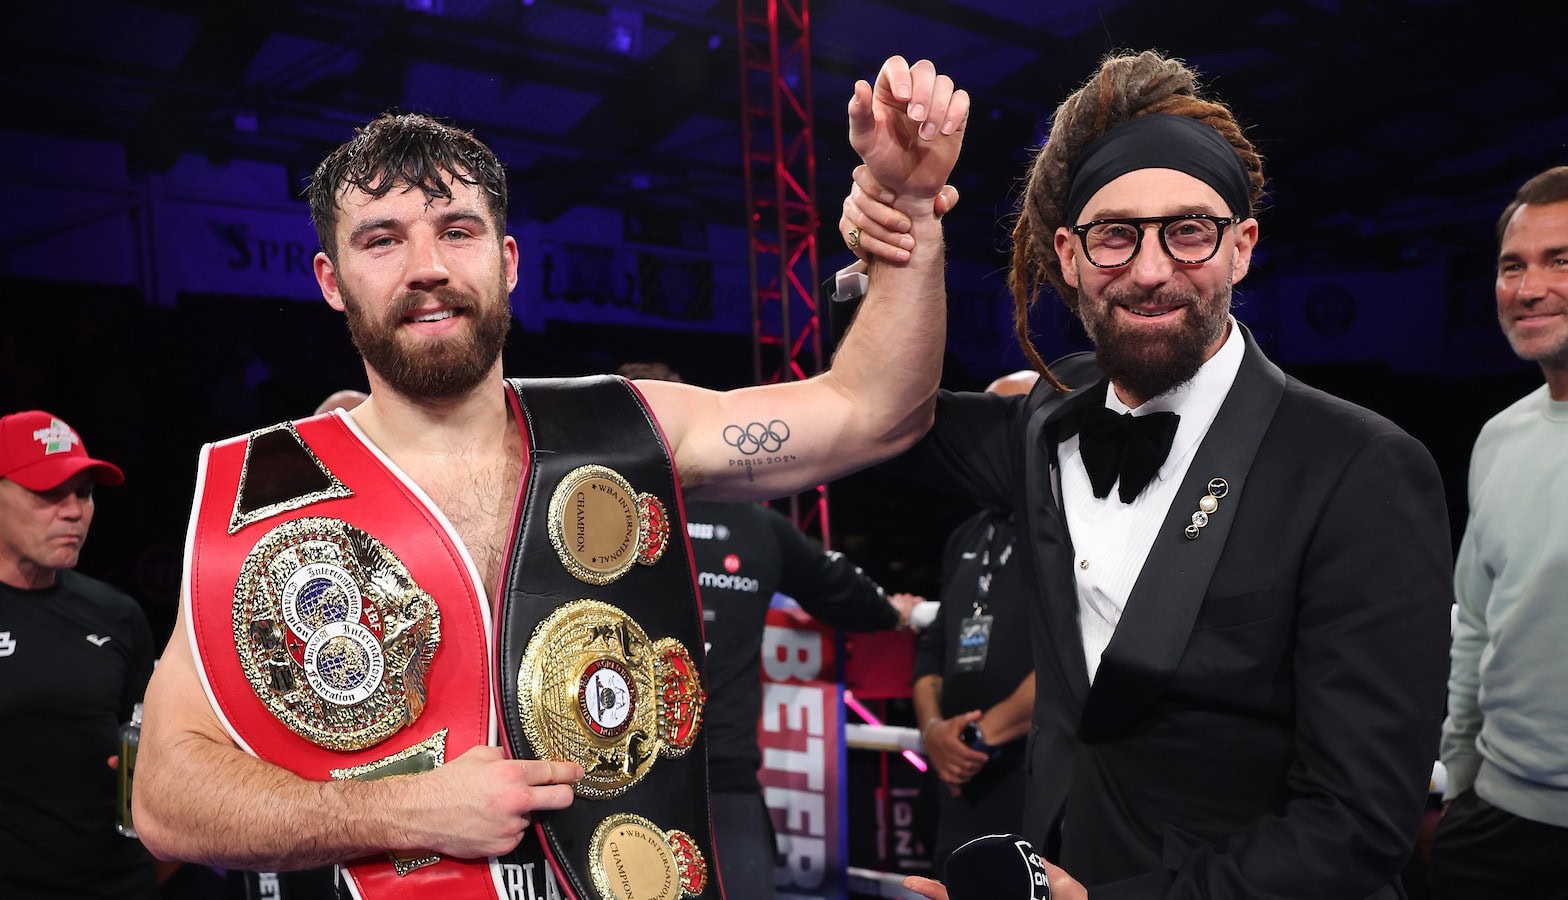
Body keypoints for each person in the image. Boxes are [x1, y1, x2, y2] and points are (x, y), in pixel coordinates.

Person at [133, 56, 967, 900]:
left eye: (456, 231)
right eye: (382, 240)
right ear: (331, 282)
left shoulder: (627, 429)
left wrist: (908, 213)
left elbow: (878, 410)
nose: (426, 266)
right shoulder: (263, 492)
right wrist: (401, 810)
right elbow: (168, 802)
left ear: (509, 261)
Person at [844, 50, 1453, 899]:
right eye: (1116, 234)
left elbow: (1358, 825)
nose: (1152, 268)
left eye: (1190, 230)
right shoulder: (1043, 426)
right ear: (1068, 254)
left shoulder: (1361, 469)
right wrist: (899, 222)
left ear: (1242, 247)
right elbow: (878, 414)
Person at [617, 360, 921, 899]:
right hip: (660, 781)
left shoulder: (587, 516)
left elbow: (842, 591)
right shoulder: (755, 525)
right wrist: (894, 611)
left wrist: (890, 610)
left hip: (646, 777)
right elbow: (849, 595)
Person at [1432, 166, 1568, 898]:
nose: (1529, 288)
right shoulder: (1497, 439)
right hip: (1497, 823)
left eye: (1562, 261)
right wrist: (1460, 783)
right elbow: (1476, 628)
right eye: (1514, 265)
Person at [0, 410, 158, 898]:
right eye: (49, 494)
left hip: (117, 887)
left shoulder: (117, 615)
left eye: (84, 493)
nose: (74, 511)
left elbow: (152, 753)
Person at [911, 372, 1038, 872]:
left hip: (1033, 775)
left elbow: (1082, 652)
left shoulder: (1076, 526)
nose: (984, 441)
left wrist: (980, 737)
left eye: (1004, 423)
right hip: (961, 783)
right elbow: (933, 646)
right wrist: (935, 730)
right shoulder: (965, 534)